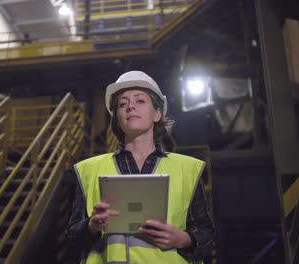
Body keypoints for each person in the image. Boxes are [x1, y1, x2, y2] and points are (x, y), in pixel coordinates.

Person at [67, 71, 214, 263]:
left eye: (140, 101)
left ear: (157, 113)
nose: (130, 107)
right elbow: (73, 236)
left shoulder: (187, 169)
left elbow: (205, 231)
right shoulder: (88, 170)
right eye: (122, 104)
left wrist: (183, 239)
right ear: (117, 117)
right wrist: (92, 226)